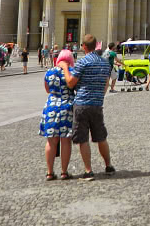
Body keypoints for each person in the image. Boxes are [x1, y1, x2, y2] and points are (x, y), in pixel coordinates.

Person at [58, 34, 114, 181]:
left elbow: (70, 82)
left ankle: (88, 171)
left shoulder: (82, 63)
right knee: (101, 137)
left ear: (83, 46)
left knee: (83, 139)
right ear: (95, 46)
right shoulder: (105, 63)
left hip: (82, 104)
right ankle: (108, 165)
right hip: (97, 104)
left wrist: (64, 67)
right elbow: (106, 84)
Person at [39, 49, 74, 181]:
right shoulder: (70, 71)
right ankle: (64, 172)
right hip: (67, 106)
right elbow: (73, 85)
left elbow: (47, 89)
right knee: (65, 141)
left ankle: (49, 172)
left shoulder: (49, 72)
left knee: (51, 141)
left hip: (51, 106)